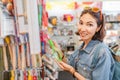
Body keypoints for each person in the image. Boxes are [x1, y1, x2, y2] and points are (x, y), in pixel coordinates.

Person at [56, 7, 115, 80]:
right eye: (81, 23)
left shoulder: (102, 53)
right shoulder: (83, 46)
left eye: (89, 25)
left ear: (98, 28)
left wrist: (73, 72)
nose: (83, 29)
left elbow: (71, 69)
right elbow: (69, 63)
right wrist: (59, 52)